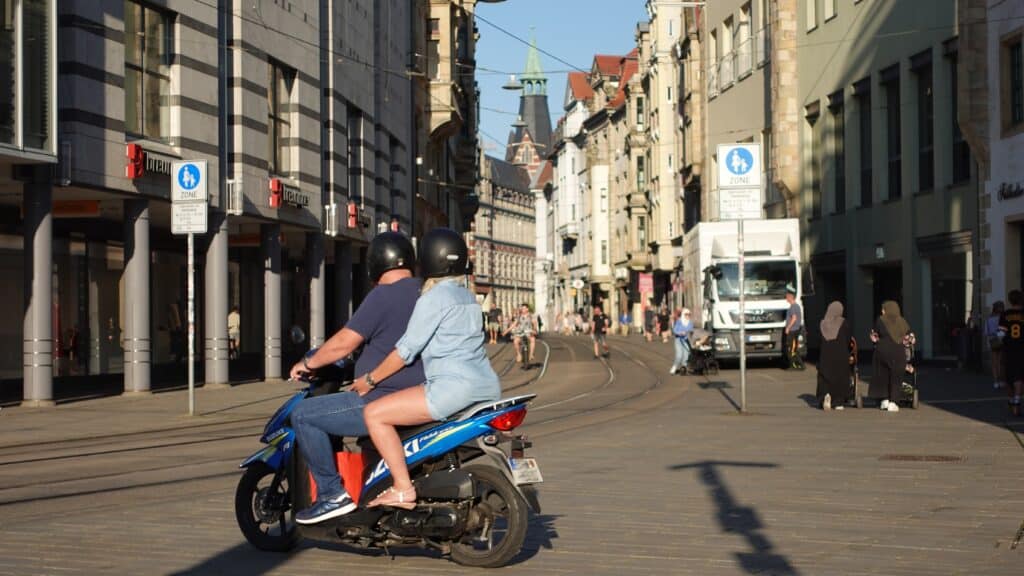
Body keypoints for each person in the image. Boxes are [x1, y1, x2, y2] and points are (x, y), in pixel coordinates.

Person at [358, 228, 501, 509]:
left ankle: (402, 488)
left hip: (451, 390)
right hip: (487, 387)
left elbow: (405, 352)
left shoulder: (433, 299)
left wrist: (370, 379)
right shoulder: (468, 298)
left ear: (427, 261)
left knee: (374, 414)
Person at [287, 231, 424, 524]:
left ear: (375, 265)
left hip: (381, 398)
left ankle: (330, 495)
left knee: (303, 415)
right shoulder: (425, 292)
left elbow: (343, 343)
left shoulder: (383, 295)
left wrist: (308, 362)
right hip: (421, 397)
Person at [870, 300, 912, 413]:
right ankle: (893, 402)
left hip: (882, 351)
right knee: (896, 377)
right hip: (898, 353)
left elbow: (874, 336)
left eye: (883, 309)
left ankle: (884, 400)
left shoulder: (880, 320)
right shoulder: (902, 321)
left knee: (882, 375)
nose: (882, 311)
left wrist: (877, 341)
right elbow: (909, 339)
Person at [816, 301, 852, 411]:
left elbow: (819, 341)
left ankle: (826, 396)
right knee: (840, 376)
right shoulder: (843, 322)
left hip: (825, 356)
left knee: (825, 376)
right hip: (840, 355)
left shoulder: (823, 323)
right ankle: (838, 402)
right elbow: (848, 338)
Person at [999, 290, 1024, 416]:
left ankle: (1010, 400)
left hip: (1009, 348)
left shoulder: (1005, 314)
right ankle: (1017, 401)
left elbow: (1001, 334)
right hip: (1022, 348)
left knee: (1009, 377)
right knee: (1019, 377)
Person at [985, 301, 1006, 390]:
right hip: (1001, 340)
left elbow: (986, 332)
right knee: (1000, 362)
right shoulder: (1003, 318)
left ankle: (996, 381)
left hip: (992, 340)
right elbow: (1005, 330)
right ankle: (1000, 380)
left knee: (994, 362)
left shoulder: (989, 318)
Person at [784, 287, 804, 370]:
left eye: (786, 297)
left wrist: (788, 327)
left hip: (793, 330)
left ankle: (795, 365)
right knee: (794, 348)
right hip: (796, 329)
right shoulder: (797, 306)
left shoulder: (793, 307)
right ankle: (797, 365)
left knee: (791, 349)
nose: (786, 299)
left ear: (790, 297)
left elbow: (794, 318)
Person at [670, 308, 693, 375]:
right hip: (678, 340)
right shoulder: (679, 321)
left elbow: (691, 331)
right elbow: (674, 330)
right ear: (683, 314)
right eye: (686, 314)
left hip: (686, 340)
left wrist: (690, 333)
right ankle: (674, 368)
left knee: (686, 354)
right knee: (679, 355)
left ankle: (683, 368)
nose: (688, 316)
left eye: (689, 315)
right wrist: (680, 333)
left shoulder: (690, 323)